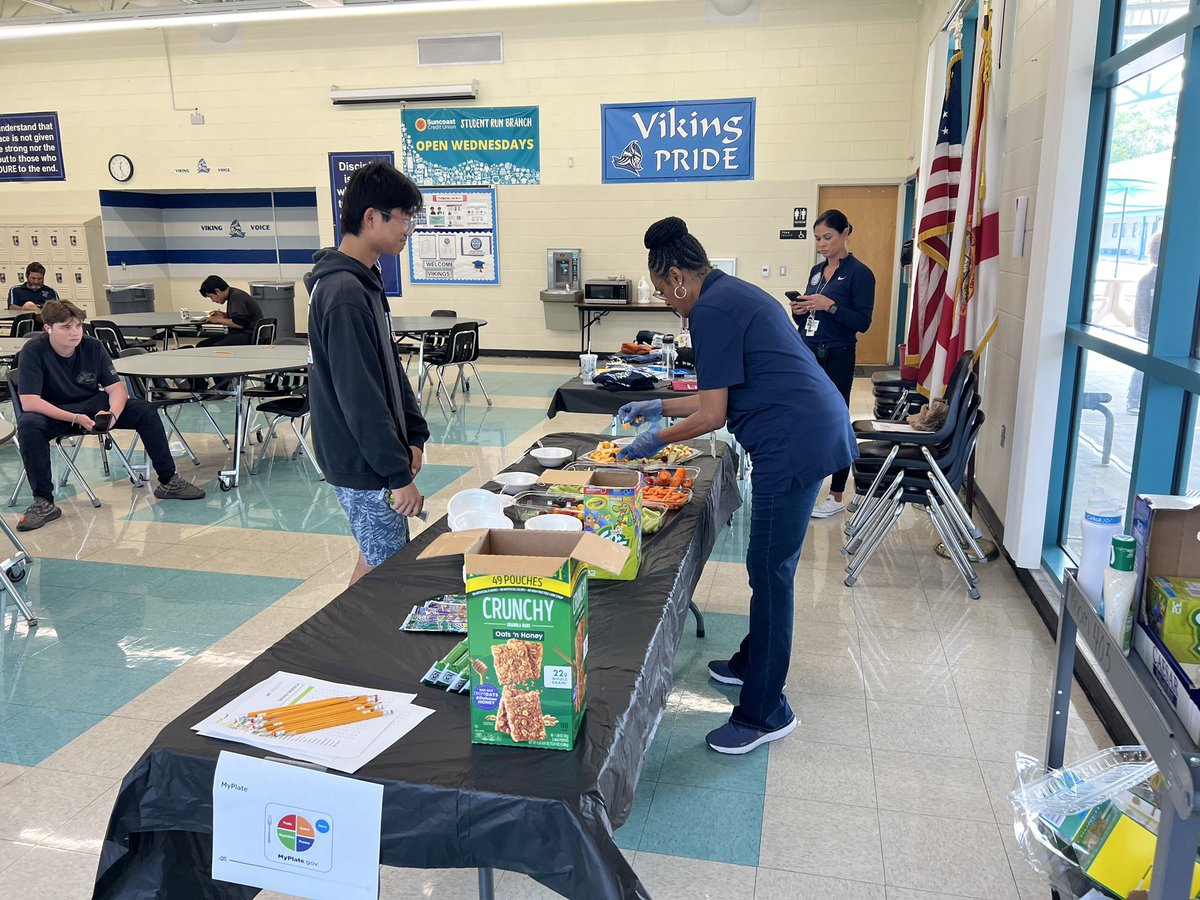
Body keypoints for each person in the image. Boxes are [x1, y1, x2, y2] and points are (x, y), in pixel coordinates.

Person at [616, 216, 855, 755]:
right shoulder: (729, 294)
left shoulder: (711, 311)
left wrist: (654, 440)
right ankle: (752, 662)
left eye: (662, 291)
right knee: (767, 564)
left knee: (770, 570)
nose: (667, 303)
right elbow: (712, 397)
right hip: (806, 425)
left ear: (677, 275)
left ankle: (766, 711)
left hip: (795, 441)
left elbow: (710, 417)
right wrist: (658, 404)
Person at [306, 161, 430, 586]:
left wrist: (414, 436)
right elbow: (360, 397)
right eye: (404, 217)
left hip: (376, 456)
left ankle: (345, 642)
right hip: (361, 460)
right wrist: (396, 477)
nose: (408, 228)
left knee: (376, 556)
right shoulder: (342, 293)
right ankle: (349, 646)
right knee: (388, 570)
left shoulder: (364, 281)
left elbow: (389, 371)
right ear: (372, 217)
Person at [13, 300, 206, 531]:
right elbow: (30, 401)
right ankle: (43, 502)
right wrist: (74, 418)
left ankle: (168, 481)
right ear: (49, 328)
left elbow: (116, 389)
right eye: (66, 327)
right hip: (53, 409)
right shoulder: (34, 351)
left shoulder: (92, 346)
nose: (74, 332)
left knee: (145, 410)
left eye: (78, 326)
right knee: (29, 426)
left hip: (90, 404)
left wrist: (113, 415)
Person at [788, 209, 876, 518]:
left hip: (837, 353)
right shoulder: (816, 271)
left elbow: (862, 322)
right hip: (810, 351)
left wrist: (832, 306)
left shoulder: (859, 274)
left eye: (828, 237)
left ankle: (837, 494)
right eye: (817, 239)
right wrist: (800, 309)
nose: (822, 245)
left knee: (836, 420)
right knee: (807, 418)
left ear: (845, 233)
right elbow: (809, 312)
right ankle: (807, 478)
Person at [1126, 231, 1160, 414]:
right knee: (1141, 367)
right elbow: (1142, 309)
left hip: (1149, 330)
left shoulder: (1153, 280)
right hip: (1146, 331)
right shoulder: (1148, 280)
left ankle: (1136, 399)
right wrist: (1143, 330)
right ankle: (1133, 399)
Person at [195, 275, 263, 346]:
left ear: (217, 291)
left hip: (247, 336)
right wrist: (224, 315)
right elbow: (242, 317)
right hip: (245, 335)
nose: (213, 300)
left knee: (206, 347)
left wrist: (217, 319)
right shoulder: (234, 294)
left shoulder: (236, 297)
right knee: (202, 345)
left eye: (211, 297)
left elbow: (240, 324)